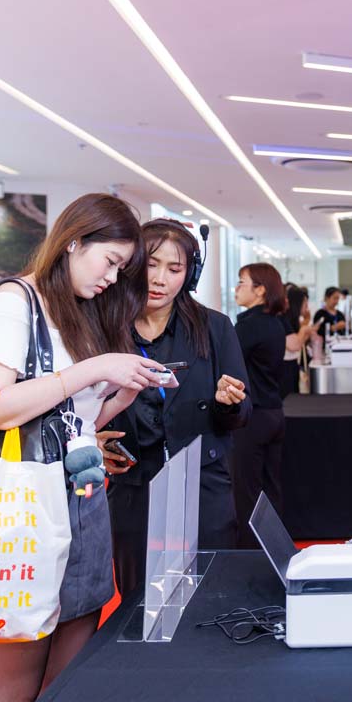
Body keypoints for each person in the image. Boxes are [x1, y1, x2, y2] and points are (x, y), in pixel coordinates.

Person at [0, 193, 165, 702]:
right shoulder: (14, 302)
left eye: (121, 270)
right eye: (110, 261)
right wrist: (95, 368)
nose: (111, 278)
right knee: (11, 698)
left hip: (83, 505)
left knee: (66, 691)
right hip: (21, 517)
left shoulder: (76, 311)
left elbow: (68, 423)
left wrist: (120, 396)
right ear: (74, 241)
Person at [98, 219, 252, 599]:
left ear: (189, 275)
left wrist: (229, 403)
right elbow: (81, 404)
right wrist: (94, 439)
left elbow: (243, 413)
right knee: (138, 598)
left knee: (211, 594)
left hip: (202, 483)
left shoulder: (214, 327)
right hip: (134, 484)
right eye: (151, 265)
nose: (160, 279)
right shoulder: (104, 327)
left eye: (174, 268)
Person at [230, 263, 291, 547]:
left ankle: (249, 555)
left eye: (242, 282)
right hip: (274, 413)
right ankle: (273, 550)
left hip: (253, 418)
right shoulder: (275, 323)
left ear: (260, 290)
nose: (236, 288)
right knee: (271, 490)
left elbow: (227, 363)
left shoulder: (249, 326)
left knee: (247, 492)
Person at [279, 284, 314, 398]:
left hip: (293, 364)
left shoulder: (293, 320)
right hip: (284, 368)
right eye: (305, 303)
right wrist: (304, 329)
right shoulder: (282, 319)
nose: (307, 307)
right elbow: (295, 345)